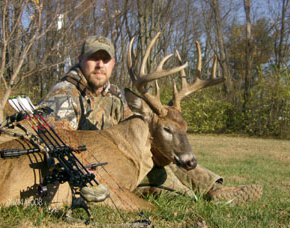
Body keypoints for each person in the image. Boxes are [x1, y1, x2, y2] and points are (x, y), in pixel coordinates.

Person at [39, 35, 262, 205]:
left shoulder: (115, 94)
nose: (100, 65)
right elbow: (55, 141)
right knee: (157, 172)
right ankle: (197, 196)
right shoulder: (65, 93)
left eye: (105, 59)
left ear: (113, 63)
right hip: (99, 169)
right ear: (80, 60)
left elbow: (138, 127)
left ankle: (215, 187)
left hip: (123, 155)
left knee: (164, 153)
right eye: (93, 58)